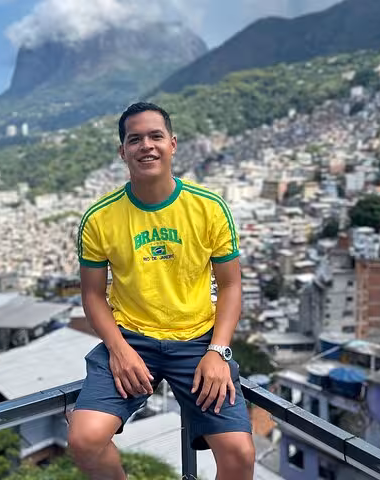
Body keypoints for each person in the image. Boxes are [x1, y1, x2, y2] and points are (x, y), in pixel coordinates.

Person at [68, 102, 254, 480]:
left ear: (172, 144)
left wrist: (218, 351)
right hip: (132, 340)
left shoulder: (209, 208)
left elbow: (232, 285)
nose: (146, 146)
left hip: (197, 341)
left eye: (155, 136)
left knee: (239, 454)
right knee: (84, 439)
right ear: (123, 152)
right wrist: (118, 350)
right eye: (134, 139)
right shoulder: (100, 218)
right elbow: (92, 295)